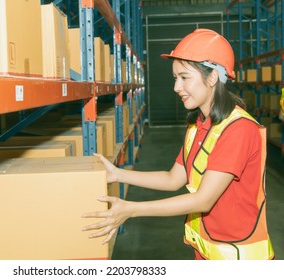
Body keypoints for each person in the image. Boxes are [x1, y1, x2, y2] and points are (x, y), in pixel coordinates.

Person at [82, 28, 275, 260]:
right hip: (206, 252)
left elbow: (204, 199)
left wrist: (131, 209)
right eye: (175, 78)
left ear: (212, 77)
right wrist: (118, 174)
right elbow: (173, 178)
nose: (176, 87)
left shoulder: (239, 129)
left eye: (184, 77)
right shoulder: (199, 125)